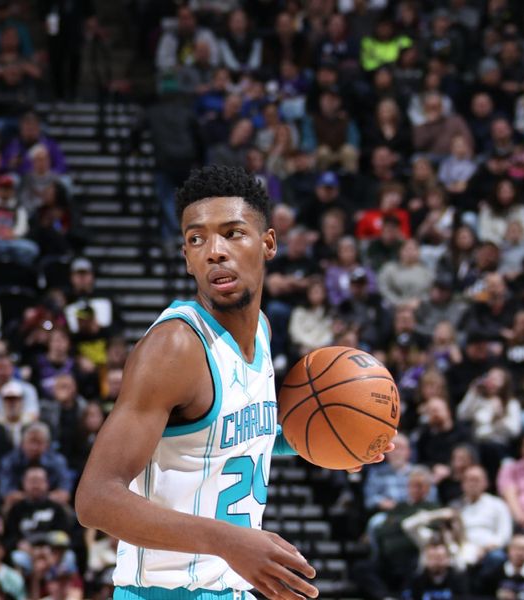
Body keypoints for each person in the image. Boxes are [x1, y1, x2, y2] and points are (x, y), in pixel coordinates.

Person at [75, 165, 392, 599]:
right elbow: (95, 499)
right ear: (187, 258)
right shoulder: (174, 348)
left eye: (233, 233)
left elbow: (234, 439)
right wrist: (226, 541)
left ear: (268, 244)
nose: (214, 251)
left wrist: (330, 442)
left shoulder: (260, 329)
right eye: (196, 238)